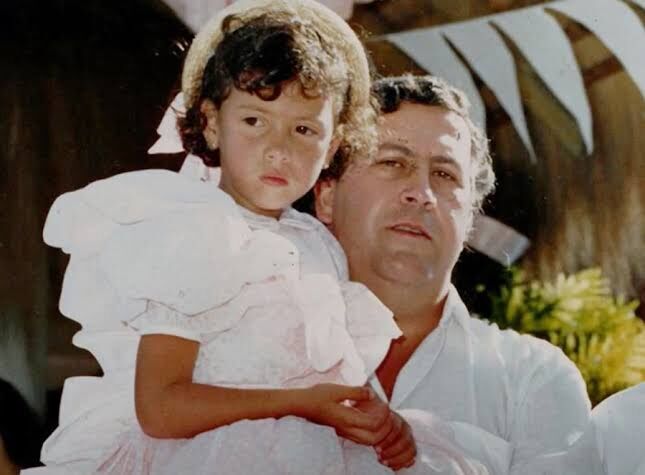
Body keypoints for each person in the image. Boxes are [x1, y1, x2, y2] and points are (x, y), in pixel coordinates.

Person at [34, 2, 486, 474]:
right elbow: (160, 409)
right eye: (254, 121)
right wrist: (299, 404)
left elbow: (333, 367)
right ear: (211, 123)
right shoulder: (197, 235)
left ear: (332, 145)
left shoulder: (316, 242)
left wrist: (376, 418)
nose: (279, 149)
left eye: (304, 130)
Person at [314, 75, 593, 474]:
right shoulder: (256, 351)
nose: (421, 193)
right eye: (393, 163)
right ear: (326, 196)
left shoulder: (532, 379)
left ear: (470, 220)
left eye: (445, 175)